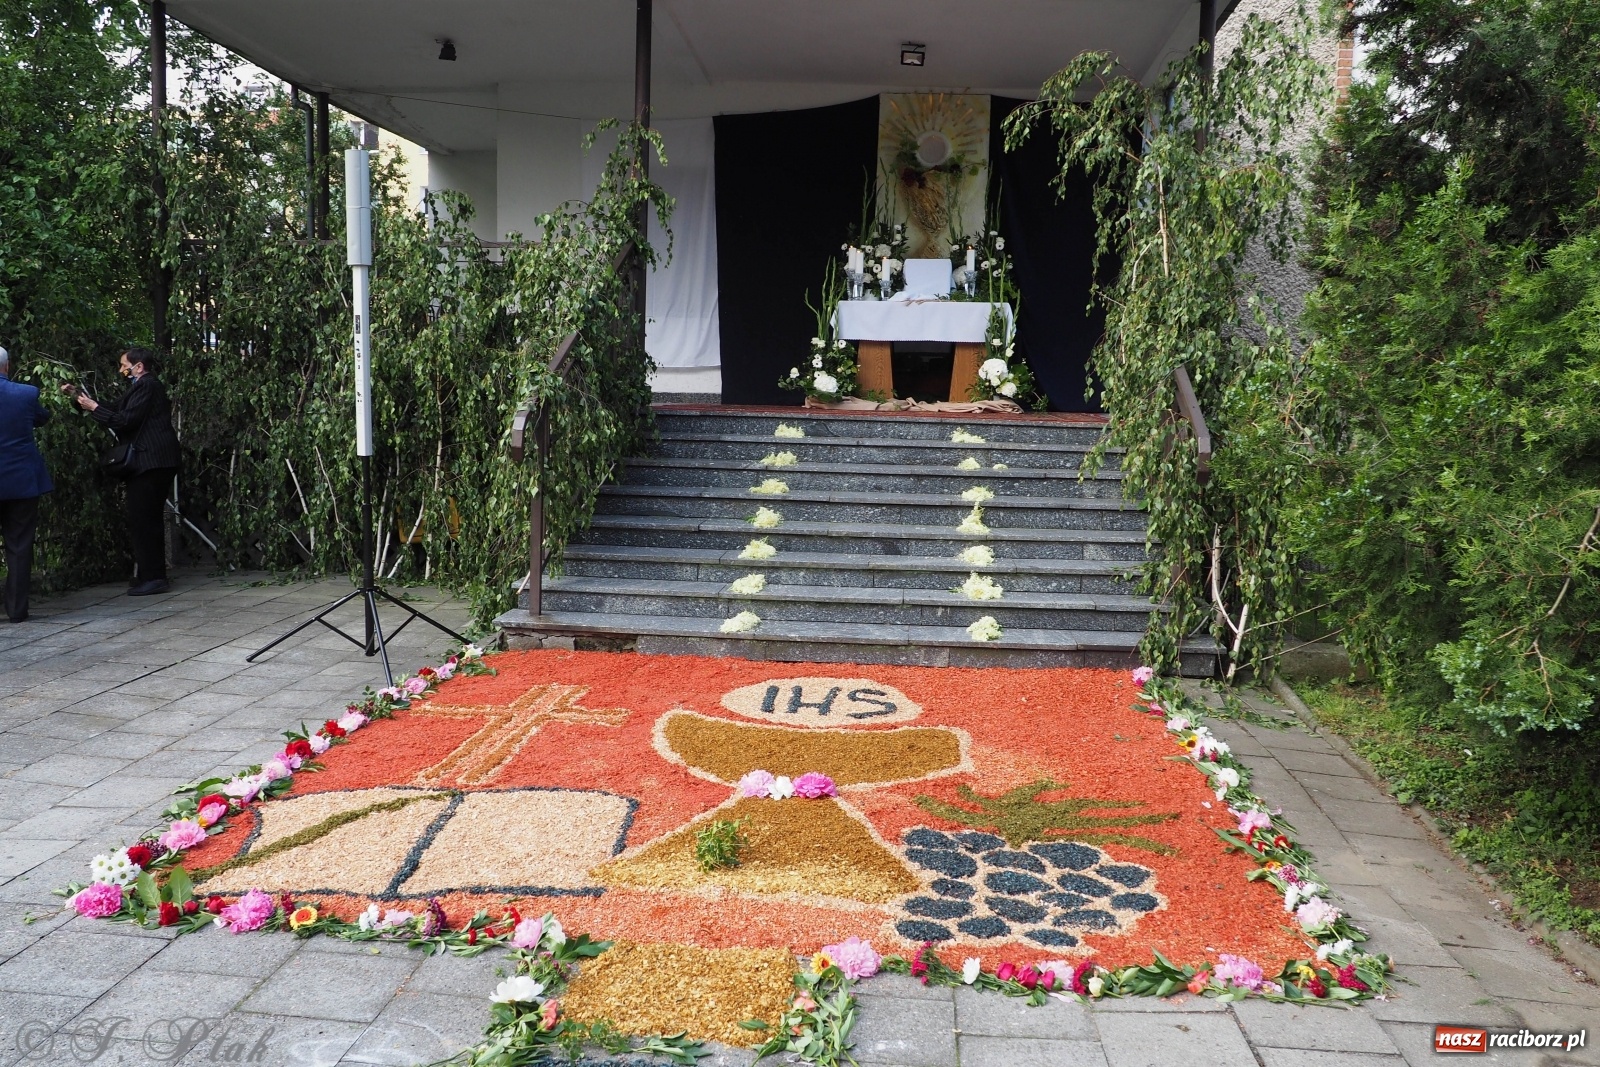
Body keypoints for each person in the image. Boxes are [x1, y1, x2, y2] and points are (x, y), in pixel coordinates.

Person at [71, 347, 182, 595]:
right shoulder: (141, 387)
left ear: (138, 366)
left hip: (151, 461)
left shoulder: (148, 386)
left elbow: (124, 420)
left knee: (145, 519)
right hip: (152, 461)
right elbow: (116, 408)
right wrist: (80, 398)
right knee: (143, 518)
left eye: (124, 365)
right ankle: (148, 574)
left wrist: (93, 409)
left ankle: (154, 577)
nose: (122, 370)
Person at [0, 346, 53, 622]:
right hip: (21, 481)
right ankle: (17, 611)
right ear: (7, 367)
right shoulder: (26, 394)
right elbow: (43, 418)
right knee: (19, 546)